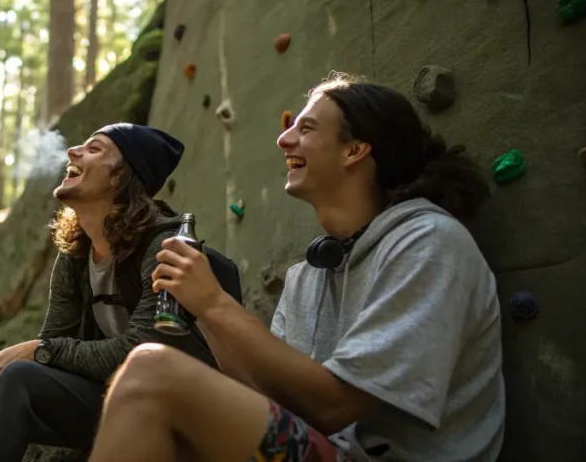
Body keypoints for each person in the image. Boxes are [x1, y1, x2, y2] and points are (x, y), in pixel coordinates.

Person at [85, 73, 506, 462]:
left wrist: (215, 303)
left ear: (355, 150)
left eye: (306, 129)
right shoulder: (310, 273)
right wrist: (200, 312)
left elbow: (335, 405)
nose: (284, 139)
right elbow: (272, 402)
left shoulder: (429, 243)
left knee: (151, 369)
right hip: (317, 449)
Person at [0, 122, 239, 462]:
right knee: (17, 380)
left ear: (119, 176)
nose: (73, 151)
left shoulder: (164, 248)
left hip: (184, 413)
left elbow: (141, 349)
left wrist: (39, 353)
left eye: (94, 149)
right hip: (118, 402)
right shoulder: (76, 257)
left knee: (23, 376)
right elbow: (53, 350)